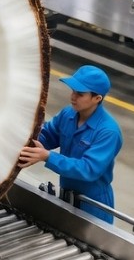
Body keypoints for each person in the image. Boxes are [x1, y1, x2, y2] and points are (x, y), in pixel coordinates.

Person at [17, 64, 123, 223]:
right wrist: (25, 143)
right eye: (73, 91)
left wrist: (47, 157)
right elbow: (48, 135)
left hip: (93, 204)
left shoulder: (108, 132)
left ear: (97, 98)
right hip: (68, 195)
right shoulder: (69, 114)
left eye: (80, 94)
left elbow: (89, 169)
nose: (73, 96)